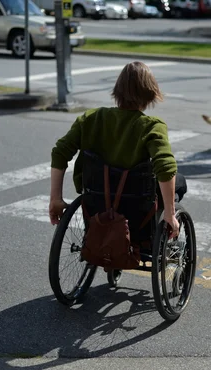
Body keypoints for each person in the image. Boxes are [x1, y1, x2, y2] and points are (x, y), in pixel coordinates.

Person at [48, 61, 180, 239]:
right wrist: (170, 214)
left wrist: (55, 199)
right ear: (150, 93)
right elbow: (165, 167)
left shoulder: (90, 119)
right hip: (136, 205)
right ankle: (165, 234)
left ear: (117, 90)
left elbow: (59, 153)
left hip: (96, 199)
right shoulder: (151, 127)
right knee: (180, 182)